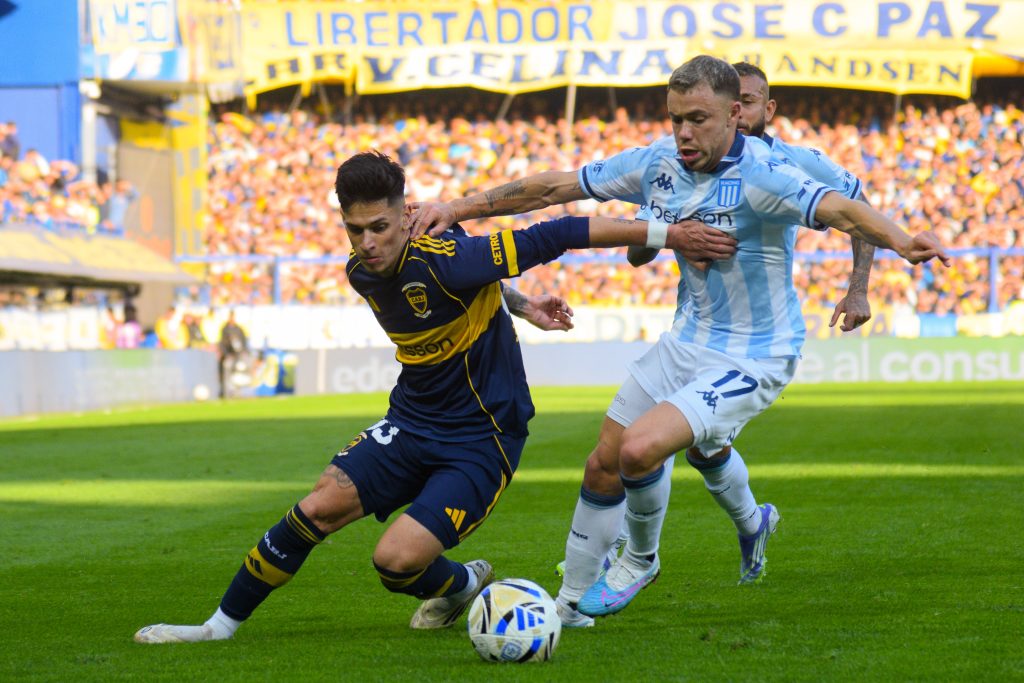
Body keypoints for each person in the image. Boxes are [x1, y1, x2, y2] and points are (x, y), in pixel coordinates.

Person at [410, 56, 948, 626]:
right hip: (685, 341)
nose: (684, 133)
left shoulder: (768, 173)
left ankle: (641, 558)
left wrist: (900, 239)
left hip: (757, 352)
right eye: (675, 120)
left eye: (698, 119)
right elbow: (554, 187)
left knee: (640, 449)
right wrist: (458, 207)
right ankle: (569, 608)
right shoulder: (658, 164)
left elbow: (841, 208)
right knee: (602, 464)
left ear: (735, 115)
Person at [133, 150, 699, 644]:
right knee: (321, 501)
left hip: (483, 436)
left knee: (395, 562)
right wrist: (523, 305)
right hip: (411, 420)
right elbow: (459, 294)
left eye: (379, 226)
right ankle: (218, 627)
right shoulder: (362, 271)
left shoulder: (451, 256)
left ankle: (459, 582)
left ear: (407, 213)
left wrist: (667, 235)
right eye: (354, 229)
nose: (367, 243)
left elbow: (558, 235)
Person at [217, 310, 249, 398]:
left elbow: (243, 341)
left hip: (239, 355)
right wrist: (226, 354)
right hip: (229, 355)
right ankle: (227, 392)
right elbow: (222, 343)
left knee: (242, 370)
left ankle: (241, 392)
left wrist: (243, 352)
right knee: (227, 369)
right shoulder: (225, 329)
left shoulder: (239, 329)